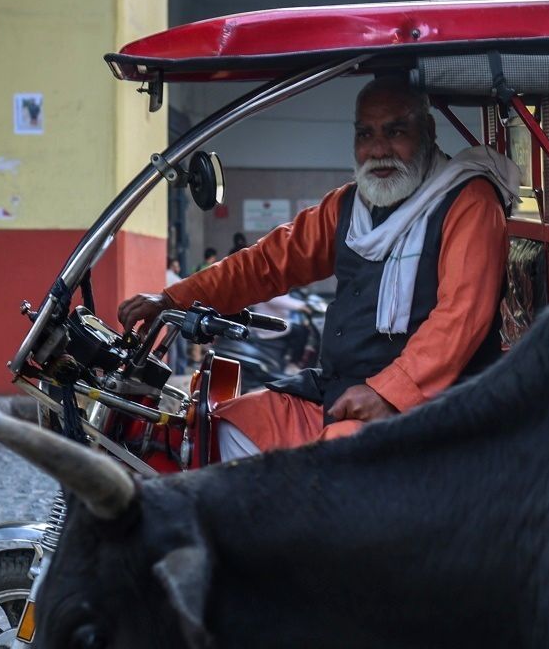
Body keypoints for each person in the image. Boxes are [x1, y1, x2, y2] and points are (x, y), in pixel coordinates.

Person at [118, 76, 517, 460]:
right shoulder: (349, 206)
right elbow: (266, 263)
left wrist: (389, 393)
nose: (379, 150)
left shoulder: (469, 201)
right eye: (366, 134)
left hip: (424, 407)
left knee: (334, 464)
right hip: (339, 392)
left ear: (428, 131)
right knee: (219, 431)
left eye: (396, 132)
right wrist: (173, 298)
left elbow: (460, 318)